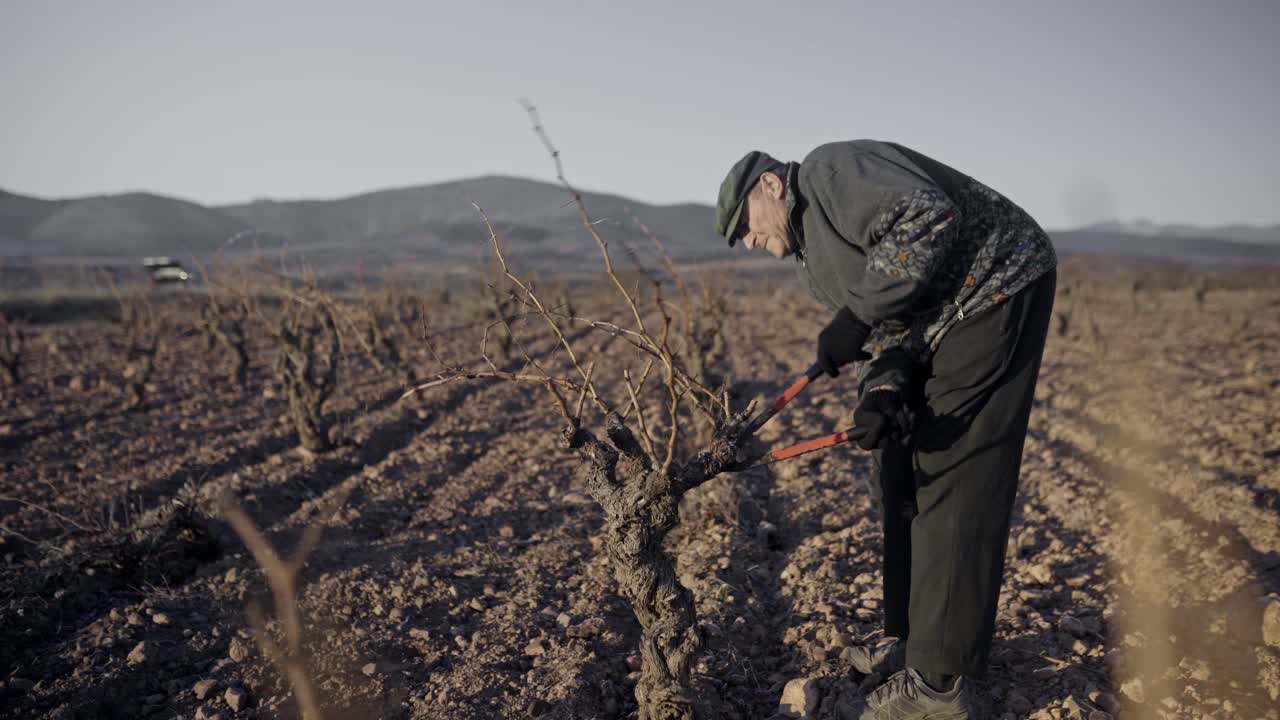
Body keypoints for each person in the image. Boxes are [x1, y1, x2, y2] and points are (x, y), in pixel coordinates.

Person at [716, 140, 1057, 718]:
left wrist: (855, 317)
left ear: (771, 187)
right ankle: (911, 644)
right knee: (900, 469)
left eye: (743, 226)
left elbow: (927, 215)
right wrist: (882, 387)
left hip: (995, 289)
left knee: (952, 474)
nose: (748, 242)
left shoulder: (829, 172)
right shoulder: (815, 263)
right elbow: (891, 325)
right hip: (942, 321)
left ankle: (939, 686)